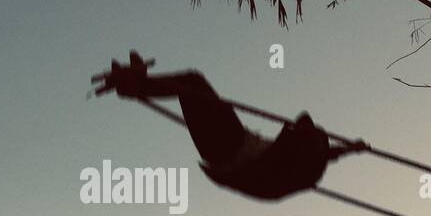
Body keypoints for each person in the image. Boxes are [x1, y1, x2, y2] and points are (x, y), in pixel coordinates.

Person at [93, 52, 346, 200]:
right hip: (221, 153)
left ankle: (134, 85)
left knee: (192, 83)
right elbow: (326, 155)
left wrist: (306, 142)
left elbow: (305, 155)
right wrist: (351, 149)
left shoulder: (290, 164)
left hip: (232, 150)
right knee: (189, 87)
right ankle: (132, 85)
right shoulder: (301, 162)